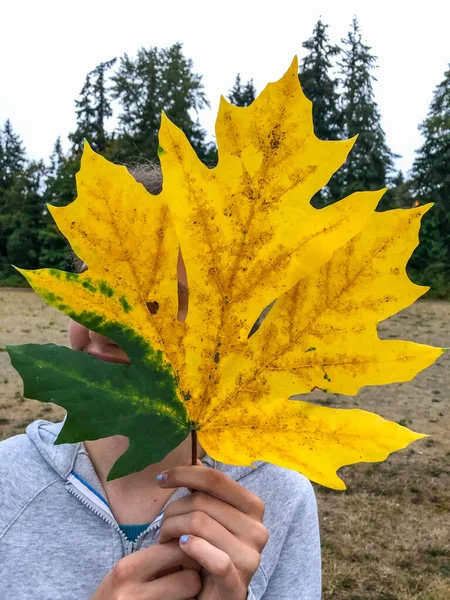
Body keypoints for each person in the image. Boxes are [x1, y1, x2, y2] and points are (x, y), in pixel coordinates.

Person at [0, 165, 322, 600]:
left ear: (232, 338)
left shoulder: (280, 500)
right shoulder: (8, 480)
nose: (100, 329)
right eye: (94, 293)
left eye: (155, 302)